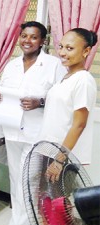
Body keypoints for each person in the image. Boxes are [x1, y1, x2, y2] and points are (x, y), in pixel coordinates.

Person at [0, 21, 67, 225]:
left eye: (33, 37)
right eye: (24, 36)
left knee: (28, 180)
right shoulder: (11, 65)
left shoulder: (53, 65)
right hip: (12, 128)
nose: (27, 40)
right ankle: (26, 221)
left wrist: (40, 102)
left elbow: (60, 98)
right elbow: (6, 93)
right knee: (16, 177)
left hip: (37, 133)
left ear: (43, 41)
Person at [40, 28, 98, 183]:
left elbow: (79, 124)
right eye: (61, 47)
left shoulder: (83, 81)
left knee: (59, 204)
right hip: (50, 150)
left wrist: (59, 160)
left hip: (64, 157)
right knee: (46, 201)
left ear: (86, 51)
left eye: (70, 48)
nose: (62, 52)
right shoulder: (66, 77)